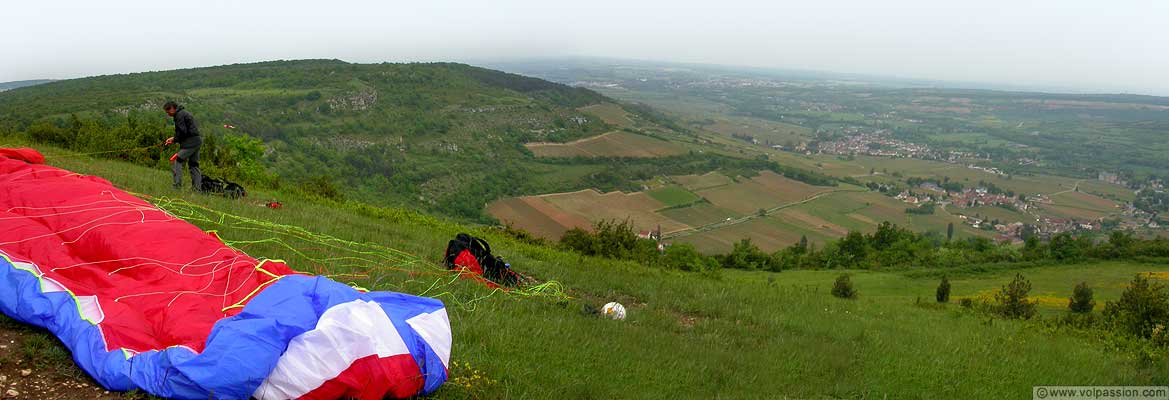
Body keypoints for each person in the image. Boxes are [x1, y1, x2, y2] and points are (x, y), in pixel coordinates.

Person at [163, 101, 203, 190]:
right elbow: (184, 131)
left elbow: (182, 132)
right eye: (166, 111)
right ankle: (197, 189)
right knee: (193, 164)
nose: (168, 113)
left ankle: (177, 187)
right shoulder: (183, 113)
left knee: (177, 160)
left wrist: (174, 139)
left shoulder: (179, 115)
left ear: (173, 108)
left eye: (168, 110)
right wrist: (174, 138)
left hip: (191, 143)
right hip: (197, 141)